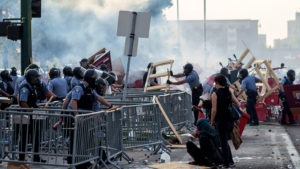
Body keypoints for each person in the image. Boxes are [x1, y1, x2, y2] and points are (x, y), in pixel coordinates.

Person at [210, 74, 239, 168]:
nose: (214, 85)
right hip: (230, 121)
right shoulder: (229, 92)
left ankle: (226, 164)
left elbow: (214, 110)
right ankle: (230, 162)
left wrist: (211, 121)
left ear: (217, 83)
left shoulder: (215, 94)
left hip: (221, 121)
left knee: (223, 143)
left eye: (215, 83)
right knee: (225, 142)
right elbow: (237, 103)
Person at [17, 69, 46, 162]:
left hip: (32, 115)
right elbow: (23, 102)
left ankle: (36, 157)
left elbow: (32, 101)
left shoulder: (31, 86)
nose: (37, 79)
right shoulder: (25, 87)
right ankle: (21, 158)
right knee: (25, 137)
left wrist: (37, 107)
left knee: (36, 136)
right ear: (30, 77)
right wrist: (31, 111)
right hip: (26, 116)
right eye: (35, 77)